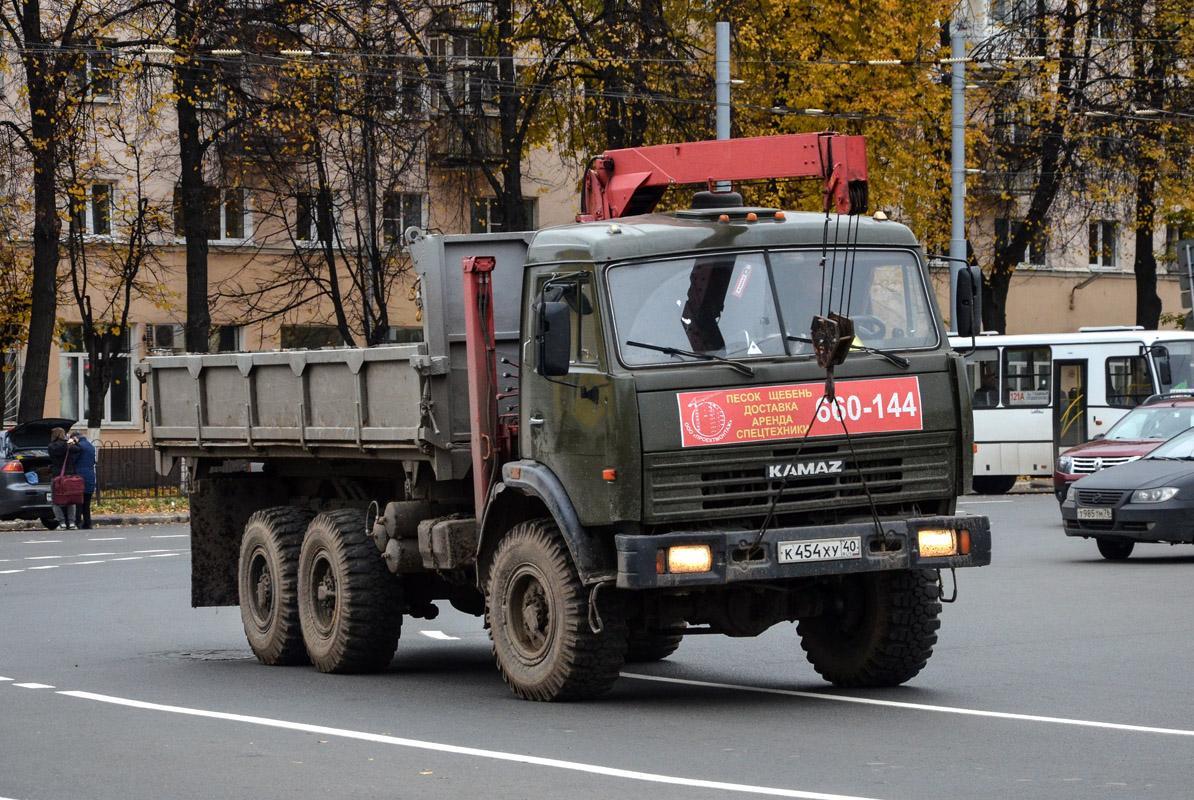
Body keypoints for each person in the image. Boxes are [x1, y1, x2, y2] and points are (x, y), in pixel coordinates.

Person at [48, 427, 82, 530]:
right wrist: (74, 442)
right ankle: (71, 523)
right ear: (63, 435)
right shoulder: (68, 446)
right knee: (71, 500)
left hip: (56, 476)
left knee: (55, 501)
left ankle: (61, 522)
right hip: (69, 476)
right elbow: (80, 449)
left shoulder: (50, 446)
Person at [72, 431, 97, 530]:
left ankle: (78, 522)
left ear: (75, 438)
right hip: (90, 476)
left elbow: (73, 460)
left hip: (79, 477)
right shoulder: (91, 447)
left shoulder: (78, 447)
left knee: (78, 501)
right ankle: (88, 523)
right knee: (87, 502)